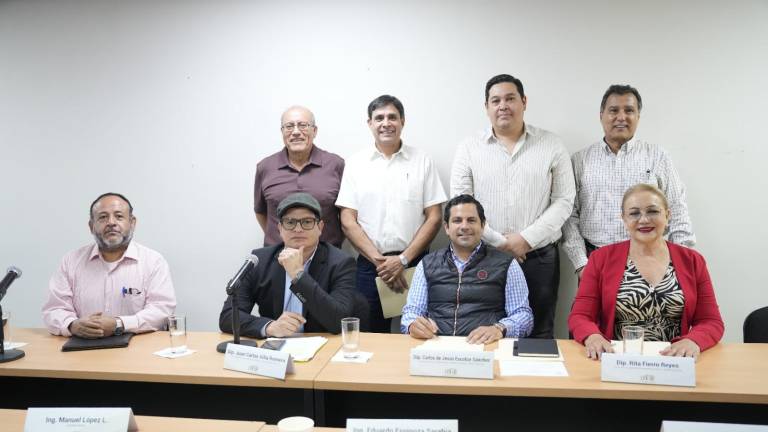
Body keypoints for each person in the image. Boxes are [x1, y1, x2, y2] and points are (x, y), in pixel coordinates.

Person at [451, 74, 575, 338]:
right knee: (486, 332)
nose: (503, 106)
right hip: (485, 255)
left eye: (510, 98)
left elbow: (564, 200)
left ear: (524, 102)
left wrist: (525, 240)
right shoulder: (469, 148)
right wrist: (500, 242)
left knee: (539, 333)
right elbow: (461, 204)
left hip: (539, 256)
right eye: (495, 101)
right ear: (487, 107)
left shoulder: (551, 144)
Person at [568, 184, 723, 360]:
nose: (643, 220)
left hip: (673, 361)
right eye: (634, 213)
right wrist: (593, 337)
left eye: (653, 211)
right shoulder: (600, 258)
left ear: (667, 215)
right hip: (617, 359)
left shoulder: (693, 260)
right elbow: (580, 316)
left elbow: (711, 321)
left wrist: (693, 340)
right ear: (624, 219)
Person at [336, 94, 447, 333]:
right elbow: (347, 220)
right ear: (370, 123)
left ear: (402, 121)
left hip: (414, 262)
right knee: (371, 335)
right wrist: (382, 263)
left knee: (421, 331)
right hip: (371, 266)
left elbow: (435, 217)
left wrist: (402, 260)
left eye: (392, 117)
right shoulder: (356, 163)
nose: (386, 123)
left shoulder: (422, 161)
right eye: (379, 118)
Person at [562, 85, 695, 277]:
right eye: (614, 110)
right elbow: (569, 215)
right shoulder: (580, 160)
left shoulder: (657, 156)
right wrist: (582, 264)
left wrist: (679, 263)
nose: (621, 117)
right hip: (595, 261)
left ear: (638, 116)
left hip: (651, 261)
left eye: (629, 110)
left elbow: (677, 210)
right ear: (601, 115)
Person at [219, 192, 364, 337]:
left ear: (320, 227)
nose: (298, 229)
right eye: (290, 222)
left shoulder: (341, 263)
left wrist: (298, 275)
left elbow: (339, 322)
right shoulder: (260, 260)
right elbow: (228, 316)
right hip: (275, 346)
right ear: (280, 228)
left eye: (307, 222)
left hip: (323, 343)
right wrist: (270, 327)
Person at [401, 195, 533, 344]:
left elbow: (524, 316)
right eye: (457, 220)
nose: (464, 226)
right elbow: (411, 312)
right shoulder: (427, 264)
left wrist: (499, 328)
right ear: (447, 228)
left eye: (471, 220)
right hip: (436, 346)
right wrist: (413, 325)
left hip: (486, 348)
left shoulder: (507, 264)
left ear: (483, 226)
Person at [42, 193, 176, 338]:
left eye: (119, 216)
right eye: (103, 217)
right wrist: (72, 325)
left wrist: (119, 324)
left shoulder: (153, 261)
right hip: (83, 346)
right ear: (91, 226)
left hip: (139, 347)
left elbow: (162, 310)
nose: (111, 222)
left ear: (132, 223)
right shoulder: (71, 261)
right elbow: (54, 309)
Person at [254, 105, 345, 247]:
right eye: (289, 126)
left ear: (314, 131)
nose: (296, 132)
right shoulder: (265, 167)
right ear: (282, 132)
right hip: (278, 255)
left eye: (303, 125)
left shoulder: (336, 165)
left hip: (326, 256)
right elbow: (261, 212)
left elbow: (348, 215)